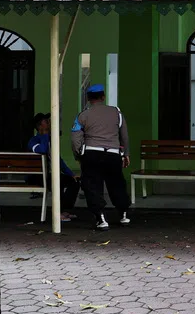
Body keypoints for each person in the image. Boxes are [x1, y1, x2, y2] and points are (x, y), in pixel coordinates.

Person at [71, 84, 131, 231]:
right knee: (117, 183)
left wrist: (78, 154)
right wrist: (126, 154)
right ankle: (123, 214)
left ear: (88, 98)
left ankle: (101, 218)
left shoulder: (83, 115)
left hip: (92, 153)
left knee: (92, 186)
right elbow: (124, 135)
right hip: (113, 154)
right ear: (103, 97)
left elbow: (75, 138)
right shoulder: (117, 113)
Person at [29, 112, 79, 223]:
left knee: (74, 182)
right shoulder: (34, 141)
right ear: (39, 126)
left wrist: (71, 174)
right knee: (58, 181)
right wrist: (44, 135)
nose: (49, 123)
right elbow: (42, 150)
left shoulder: (50, 140)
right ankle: (58, 213)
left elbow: (58, 161)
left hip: (47, 175)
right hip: (36, 176)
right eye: (46, 122)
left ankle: (64, 210)